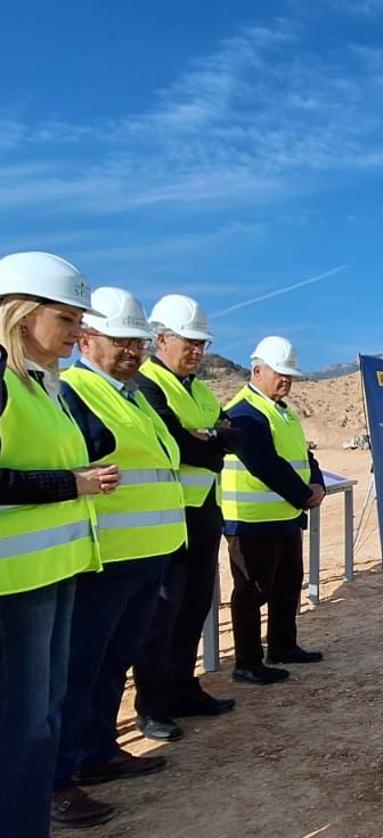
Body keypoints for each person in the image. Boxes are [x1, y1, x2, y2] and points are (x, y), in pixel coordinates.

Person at [55, 287, 188, 821]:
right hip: (104, 559)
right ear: (86, 339)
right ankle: (61, 779)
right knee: (79, 671)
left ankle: (97, 752)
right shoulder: (75, 392)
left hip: (147, 554)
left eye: (136, 341)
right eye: (120, 340)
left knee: (112, 664)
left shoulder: (132, 397)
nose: (132, 350)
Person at [0, 252, 111, 833]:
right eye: (66, 319)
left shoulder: (43, 387)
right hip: (13, 584)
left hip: (54, 571)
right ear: (21, 315)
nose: (77, 332)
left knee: (40, 717)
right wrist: (70, 484)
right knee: (19, 723)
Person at [131, 295, 237, 743]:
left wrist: (211, 437)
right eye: (188, 342)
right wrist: (209, 440)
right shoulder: (147, 384)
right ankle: (152, 704)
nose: (196, 351)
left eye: (201, 344)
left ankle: (184, 687)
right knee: (162, 615)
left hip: (204, 514)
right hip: (170, 517)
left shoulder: (200, 389)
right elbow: (178, 445)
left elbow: (233, 433)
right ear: (160, 339)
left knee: (195, 605)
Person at [221, 336, 326, 685]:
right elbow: (265, 464)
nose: (286, 380)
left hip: (283, 519)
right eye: (280, 373)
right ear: (257, 370)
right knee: (250, 592)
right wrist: (303, 495)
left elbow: (303, 455)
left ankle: (282, 645)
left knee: (286, 585)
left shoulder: (283, 412)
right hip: (251, 522)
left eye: (290, 375)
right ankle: (247, 661)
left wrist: (318, 484)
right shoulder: (244, 412)